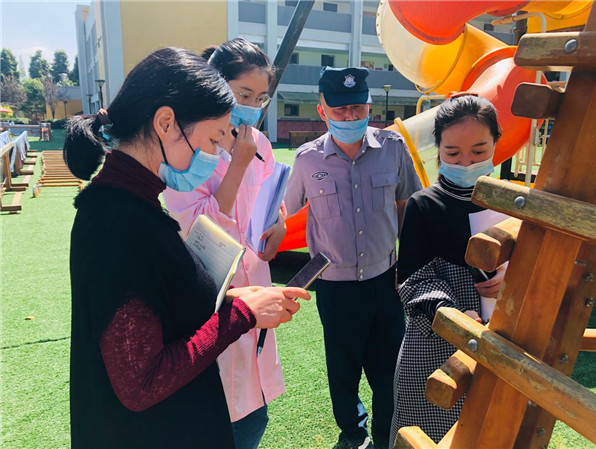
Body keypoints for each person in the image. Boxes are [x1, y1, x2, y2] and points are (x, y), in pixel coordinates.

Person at [64, 47, 309, 449]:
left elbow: (163, 305)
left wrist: (234, 298)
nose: (217, 152)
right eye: (213, 138)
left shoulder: (130, 203)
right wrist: (241, 314)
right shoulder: (118, 222)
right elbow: (142, 382)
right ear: (166, 123)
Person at [284, 66, 422, 449]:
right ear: (322, 111)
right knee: (342, 370)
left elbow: (406, 205)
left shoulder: (393, 148)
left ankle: (385, 436)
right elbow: (283, 211)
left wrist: (409, 264)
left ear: (369, 106)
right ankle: (353, 433)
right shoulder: (307, 160)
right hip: (335, 287)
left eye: (358, 108)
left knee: (389, 369)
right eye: (340, 109)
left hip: (386, 281)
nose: (350, 116)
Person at [162, 38, 285, 449]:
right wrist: (238, 163)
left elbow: (269, 201)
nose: (252, 106)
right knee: (218, 410)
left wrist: (279, 224)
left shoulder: (260, 144)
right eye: (243, 94)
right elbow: (196, 231)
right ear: (216, 86)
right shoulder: (191, 148)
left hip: (255, 288)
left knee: (254, 410)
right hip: (211, 295)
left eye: (261, 98)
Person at [389, 95, 507, 445]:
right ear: (437, 149)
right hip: (435, 343)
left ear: (496, 143)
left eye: (479, 151)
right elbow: (412, 280)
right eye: (453, 153)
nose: (466, 162)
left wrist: (512, 278)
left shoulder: (514, 202)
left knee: (492, 431)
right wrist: (452, 314)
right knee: (427, 432)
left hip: (502, 337)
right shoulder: (424, 204)